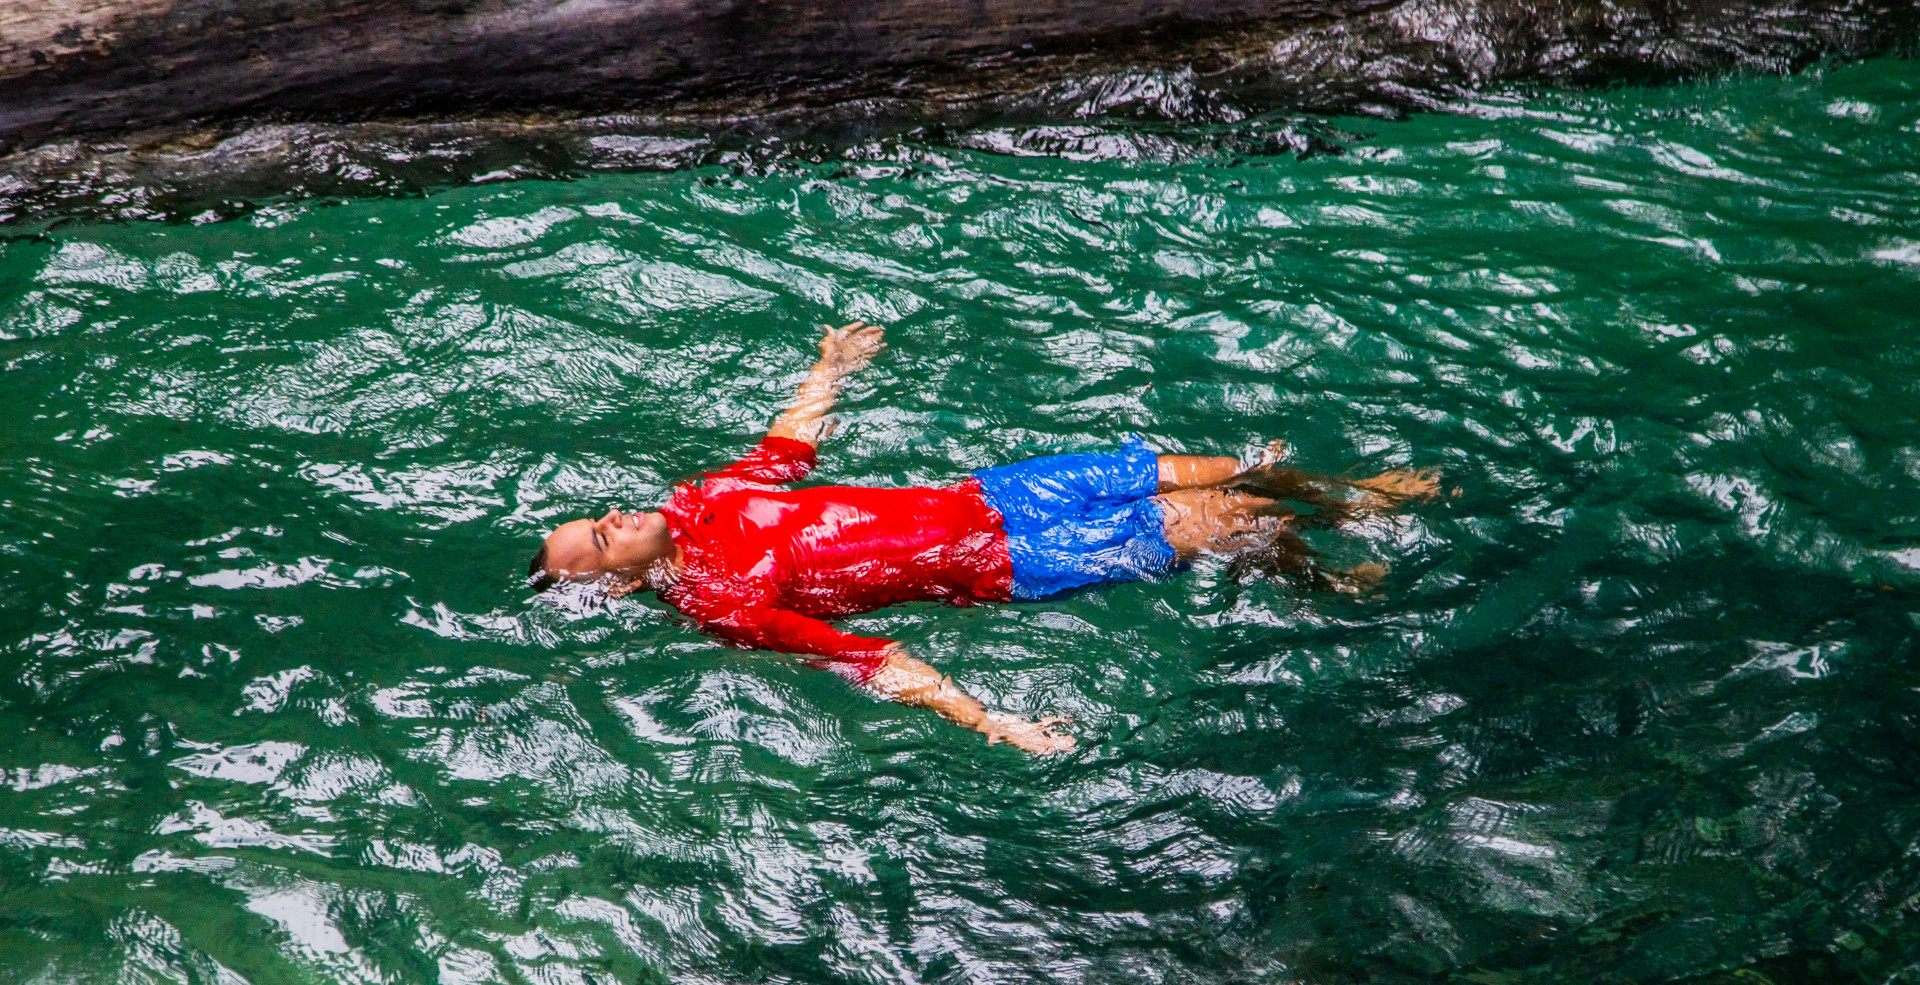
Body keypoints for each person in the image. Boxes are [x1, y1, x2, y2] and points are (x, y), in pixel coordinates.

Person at [530, 322, 1436, 754]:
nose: (612, 521)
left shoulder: (707, 496)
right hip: (1001, 561)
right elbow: (871, 660)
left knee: (1234, 467)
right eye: (601, 545)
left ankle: (1355, 502)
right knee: (1241, 519)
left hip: (989, 495)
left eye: (596, 517)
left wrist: (829, 367)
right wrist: (990, 722)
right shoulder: (728, 607)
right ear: (621, 584)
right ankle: (1322, 576)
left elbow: (788, 448)